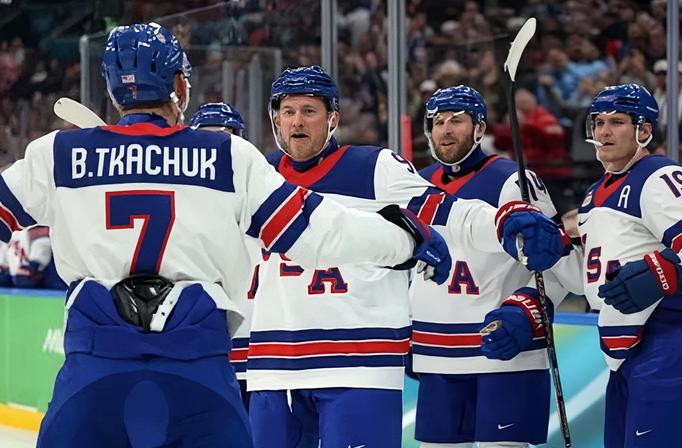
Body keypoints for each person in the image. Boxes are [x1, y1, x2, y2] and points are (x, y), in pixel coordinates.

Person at [2, 23, 455, 448]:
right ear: (180, 85)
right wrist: (406, 241)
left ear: (111, 86)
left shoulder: (57, 153)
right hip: (197, 372)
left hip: (92, 371)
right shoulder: (226, 155)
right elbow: (319, 233)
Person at [245, 66, 563, 448]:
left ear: (331, 118)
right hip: (272, 366)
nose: (297, 121)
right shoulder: (256, 176)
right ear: (275, 119)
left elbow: (449, 211)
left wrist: (504, 219)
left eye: (309, 110)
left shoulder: (374, 167)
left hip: (359, 365)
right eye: (288, 111)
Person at [409, 85, 583, 447]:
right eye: (437, 122)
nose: (445, 129)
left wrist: (531, 312)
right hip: (437, 357)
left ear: (479, 128)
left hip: (503, 354)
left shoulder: (513, 179)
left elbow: (557, 267)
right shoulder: (414, 184)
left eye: (456, 120)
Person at [581, 84, 682, 447]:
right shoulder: (595, 192)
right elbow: (594, 273)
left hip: (673, 333)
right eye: (599, 122)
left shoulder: (661, 176)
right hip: (627, 344)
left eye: (617, 122)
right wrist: (552, 249)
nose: (604, 132)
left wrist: (667, 272)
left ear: (645, 130)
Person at [189, 101, 255, 410]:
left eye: (227, 138)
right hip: (203, 349)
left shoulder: (264, 190)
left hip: (261, 351)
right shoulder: (179, 207)